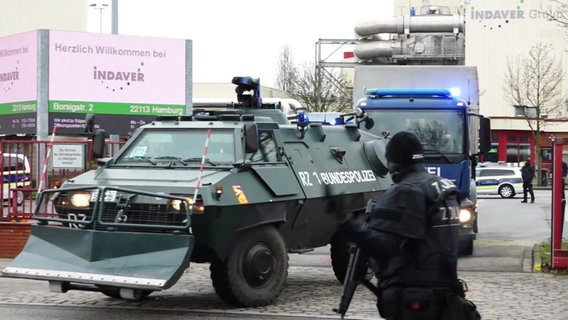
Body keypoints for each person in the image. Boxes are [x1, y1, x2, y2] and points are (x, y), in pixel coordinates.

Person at [327, 131, 480, 320]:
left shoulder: (404, 193)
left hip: (415, 302)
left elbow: (384, 248)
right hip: (445, 299)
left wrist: (346, 223)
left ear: (392, 162)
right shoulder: (444, 187)